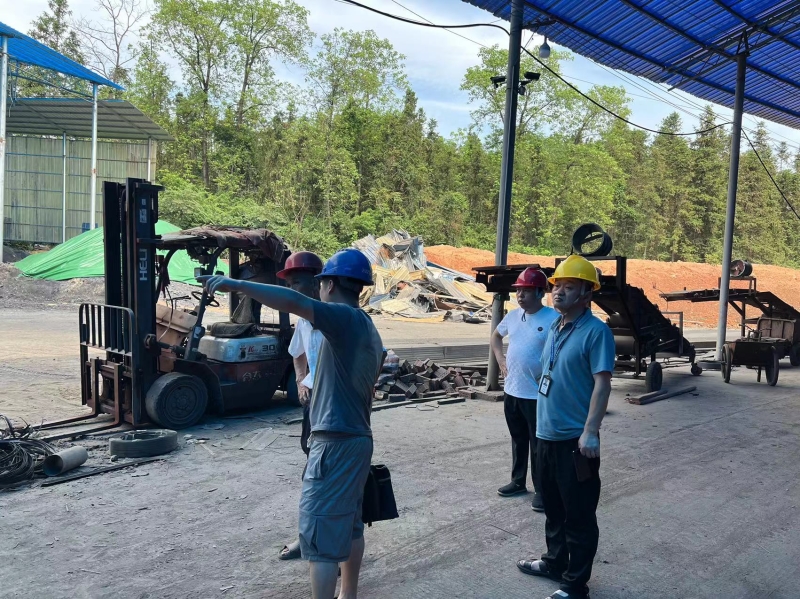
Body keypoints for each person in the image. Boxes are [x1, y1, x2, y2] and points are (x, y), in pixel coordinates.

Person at [199, 248, 383, 599]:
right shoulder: (369, 330)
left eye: (318, 283)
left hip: (334, 442)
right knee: (350, 523)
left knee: (320, 539)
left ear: (329, 284)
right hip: (358, 438)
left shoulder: (343, 319)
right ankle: (348, 595)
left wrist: (236, 284)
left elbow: (294, 303)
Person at [515, 255, 615, 599]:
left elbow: (602, 384)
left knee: (579, 514)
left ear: (587, 294)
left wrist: (591, 431)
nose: (558, 292)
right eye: (557, 286)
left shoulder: (596, 332)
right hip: (545, 435)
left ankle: (575, 584)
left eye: (569, 287)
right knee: (553, 508)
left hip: (575, 441)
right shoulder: (556, 328)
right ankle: (554, 562)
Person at [491, 267, 558, 511]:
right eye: (518, 291)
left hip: (536, 396)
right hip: (513, 391)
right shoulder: (513, 316)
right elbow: (496, 337)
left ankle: (542, 490)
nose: (520, 296)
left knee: (539, 446)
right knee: (518, 440)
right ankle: (518, 481)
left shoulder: (553, 318)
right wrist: (500, 360)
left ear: (540, 293)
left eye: (527, 291)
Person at [276, 251, 324, 561]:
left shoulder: (336, 317)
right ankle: (309, 538)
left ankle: (332, 548)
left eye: (296, 283)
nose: (291, 290)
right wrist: (300, 380)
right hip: (314, 402)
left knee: (328, 475)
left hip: (335, 406)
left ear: (317, 283)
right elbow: (297, 352)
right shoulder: (303, 320)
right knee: (312, 471)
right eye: (289, 284)